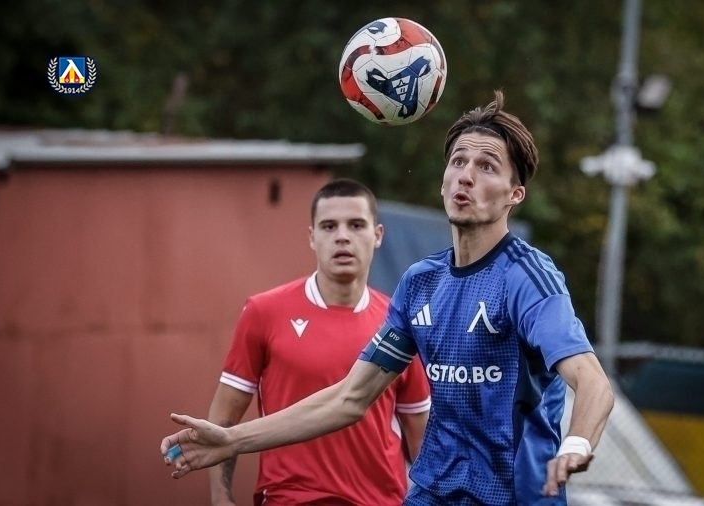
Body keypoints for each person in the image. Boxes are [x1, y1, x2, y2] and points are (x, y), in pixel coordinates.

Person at [160, 91, 615, 505]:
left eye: (486, 167)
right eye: (458, 162)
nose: (466, 176)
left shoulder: (527, 278)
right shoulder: (420, 283)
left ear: (515, 194)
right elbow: (349, 398)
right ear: (442, 181)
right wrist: (233, 439)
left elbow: (593, 382)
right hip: (433, 494)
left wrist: (576, 444)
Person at [206, 178, 431, 505]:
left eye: (356, 225)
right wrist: (221, 499)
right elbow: (223, 419)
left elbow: (421, 436)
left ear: (378, 235)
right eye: (329, 226)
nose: (342, 236)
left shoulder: (400, 325)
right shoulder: (263, 312)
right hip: (290, 499)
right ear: (312, 237)